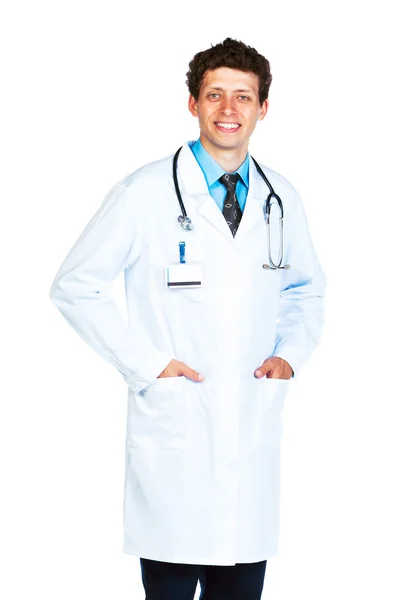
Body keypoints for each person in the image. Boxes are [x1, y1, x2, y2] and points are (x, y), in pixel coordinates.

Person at [50, 37, 326, 600]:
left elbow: (306, 290)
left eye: (243, 97)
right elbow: (75, 286)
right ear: (194, 103)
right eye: (215, 94)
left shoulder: (282, 200)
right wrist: (149, 365)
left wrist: (288, 358)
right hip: (175, 433)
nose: (229, 109)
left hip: (250, 430)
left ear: (263, 108)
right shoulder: (144, 192)